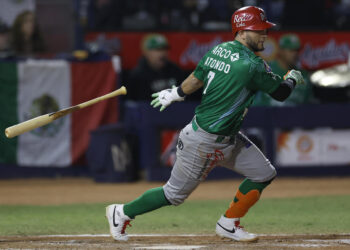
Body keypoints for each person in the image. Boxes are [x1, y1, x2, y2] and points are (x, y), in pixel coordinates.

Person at [106, 6, 304, 242]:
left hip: (228, 137)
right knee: (173, 194)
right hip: (203, 142)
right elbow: (281, 93)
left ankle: (229, 223)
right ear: (241, 32)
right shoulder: (252, 65)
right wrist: (292, 78)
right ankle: (121, 212)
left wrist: (177, 92)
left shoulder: (218, 50)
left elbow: (197, 78)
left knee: (263, 173)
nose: (264, 35)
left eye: (265, 30)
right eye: (258, 30)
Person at [254, 33, 313, 106]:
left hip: (296, 116)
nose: (295, 54)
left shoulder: (303, 76)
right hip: (267, 115)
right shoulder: (265, 71)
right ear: (281, 51)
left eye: (297, 50)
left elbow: (309, 105)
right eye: (291, 50)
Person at [126, 33, 186, 101]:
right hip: (146, 110)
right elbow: (131, 103)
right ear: (147, 52)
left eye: (164, 49)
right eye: (157, 50)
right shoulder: (137, 75)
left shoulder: (176, 71)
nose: (162, 53)